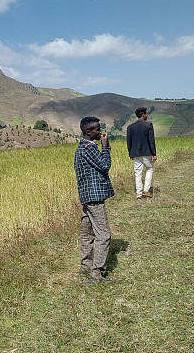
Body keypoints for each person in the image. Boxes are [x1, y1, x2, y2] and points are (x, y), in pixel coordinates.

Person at [74, 117, 114, 283]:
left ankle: (85, 266)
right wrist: (105, 147)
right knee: (104, 235)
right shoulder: (89, 148)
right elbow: (105, 166)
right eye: (97, 130)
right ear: (88, 132)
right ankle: (96, 272)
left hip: (86, 196)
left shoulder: (81, 147)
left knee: (87, 232)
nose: (100, 132)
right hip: (94, 197)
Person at [126, 107, 157, 198]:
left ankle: (139, 193)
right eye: (146, 114)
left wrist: (130, 154)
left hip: (135, 153)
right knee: (149, 169)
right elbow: (151, 140)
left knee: (138, 173)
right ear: (143, 115)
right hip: (147, 152)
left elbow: (129, 141)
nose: (147, 115)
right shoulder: (149, 125)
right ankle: (146, 190)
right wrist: (154, 154)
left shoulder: (130, 127)